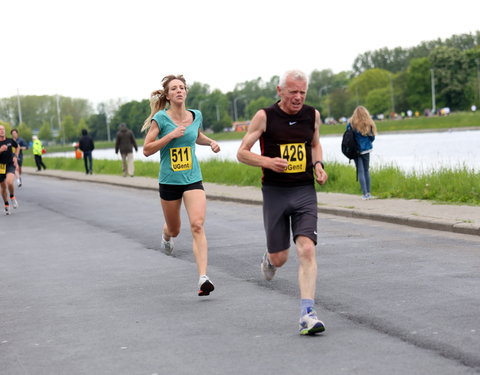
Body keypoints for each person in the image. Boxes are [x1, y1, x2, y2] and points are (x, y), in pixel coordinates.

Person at [237, 69, 328, 335]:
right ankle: (269, 258)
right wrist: (267, 162)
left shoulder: (313, 115)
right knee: (280, 258)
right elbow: (242, 153)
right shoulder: (264, 117)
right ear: (280, 91)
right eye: (292, 93)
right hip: (275, 193)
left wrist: (319, 165)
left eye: (302, 92)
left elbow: (315, 144)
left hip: (303, 191)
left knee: (307, 249)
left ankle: (307, 314)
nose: (298, 98)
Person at [142, 74, 220, 297]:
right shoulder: (161, 119)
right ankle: (166, 236)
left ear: (186, 92)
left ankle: (203, 277)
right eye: (174, 88)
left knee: (197, 225)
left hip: (193, 179)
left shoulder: (196, 115)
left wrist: (211, 142)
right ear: (167, 95)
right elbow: (147, 149)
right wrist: (170, 136)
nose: (179, 91)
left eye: (182, 87)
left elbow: (195, 135)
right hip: (169, 182)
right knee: (174, 228)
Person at [347, 106, 377, 200]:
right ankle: (369, 192)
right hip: (366, 150)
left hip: (356, 150)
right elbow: (372, 138)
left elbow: (348, 136)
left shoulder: (351, 124)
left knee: (360, 171)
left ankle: (365, 194)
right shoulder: (369, 123)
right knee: (366, 170)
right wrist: (367, 143)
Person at [0, 125, 19, 215]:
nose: (2, 131)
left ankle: (12, 197)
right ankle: (6, 205)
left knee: (9, 182)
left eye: (3, 129)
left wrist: (15, 156)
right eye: (0, 130)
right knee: (3, 187)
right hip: (0, 167)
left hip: (10, 165)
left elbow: (17, 147)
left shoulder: (10, 141)